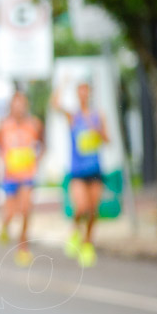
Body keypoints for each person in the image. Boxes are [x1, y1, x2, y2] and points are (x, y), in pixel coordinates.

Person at [52, 80, 108, 268]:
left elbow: (107, 140)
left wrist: (98, 132)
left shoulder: (97, 116)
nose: (84, 94)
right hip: (77, 172)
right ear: (77, 94)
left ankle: (87, 244)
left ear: (90, 93)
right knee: (81, 207)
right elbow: (55, 104)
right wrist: (64, 84)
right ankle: (75, 230)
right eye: (80, 91)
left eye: (86, 91)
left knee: (93, 211)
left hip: (95, 170)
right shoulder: (73, 117)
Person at [0, 91, 44, 266]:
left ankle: (23, 247)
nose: (19, 108)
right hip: (10, 176)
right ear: (11, 106)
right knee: (10, 213)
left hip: (27, 175)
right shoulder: (3, 126)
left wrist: (37, 159)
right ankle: (4, 226)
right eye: (16, 104)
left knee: (25, 210)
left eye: (22, 104)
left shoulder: (34, 124)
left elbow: (42, 144)